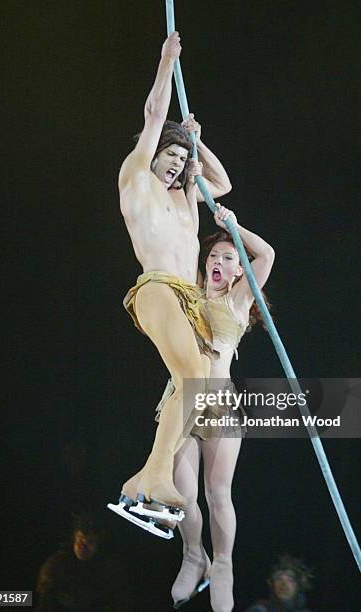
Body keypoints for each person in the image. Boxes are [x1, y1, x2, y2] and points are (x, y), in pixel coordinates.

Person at [109, 31, 232, 525]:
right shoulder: (136, 179)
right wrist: (165, 64)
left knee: (199, 388)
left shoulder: (185, 199)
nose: (177, 165)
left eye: (182, 162)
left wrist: (198, 143)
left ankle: (142, 482)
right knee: (189, 378)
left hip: (189, 300)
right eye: (171, 155)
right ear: (153, 154)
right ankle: (156, 476)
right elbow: (153, 118)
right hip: (157, 288)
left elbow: (221, 184)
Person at [167, 203, 275, 611]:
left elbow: (266, 256)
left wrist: (233, 226)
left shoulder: (239, 299)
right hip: (181, 399)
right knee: (182, 493)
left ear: (236, 272)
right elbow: (180, 243)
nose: (218, 261)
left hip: (219, 403)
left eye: (228, 258)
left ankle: (224, 565)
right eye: (214, 255)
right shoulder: (191, 294)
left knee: (217, 492)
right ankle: (195, 554)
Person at [37, 512, 128, 611]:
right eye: (80, 539)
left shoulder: (109, 569)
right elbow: (45, 603)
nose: (82, 547)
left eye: (90, 542)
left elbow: (118, 602)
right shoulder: (57, 565)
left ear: (99, 544)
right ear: (74, 537)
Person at [245, 553, 313, 612]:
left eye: (290, 579)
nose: (283, 584)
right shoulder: (259, 610)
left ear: (298, 585)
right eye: (278, 578)